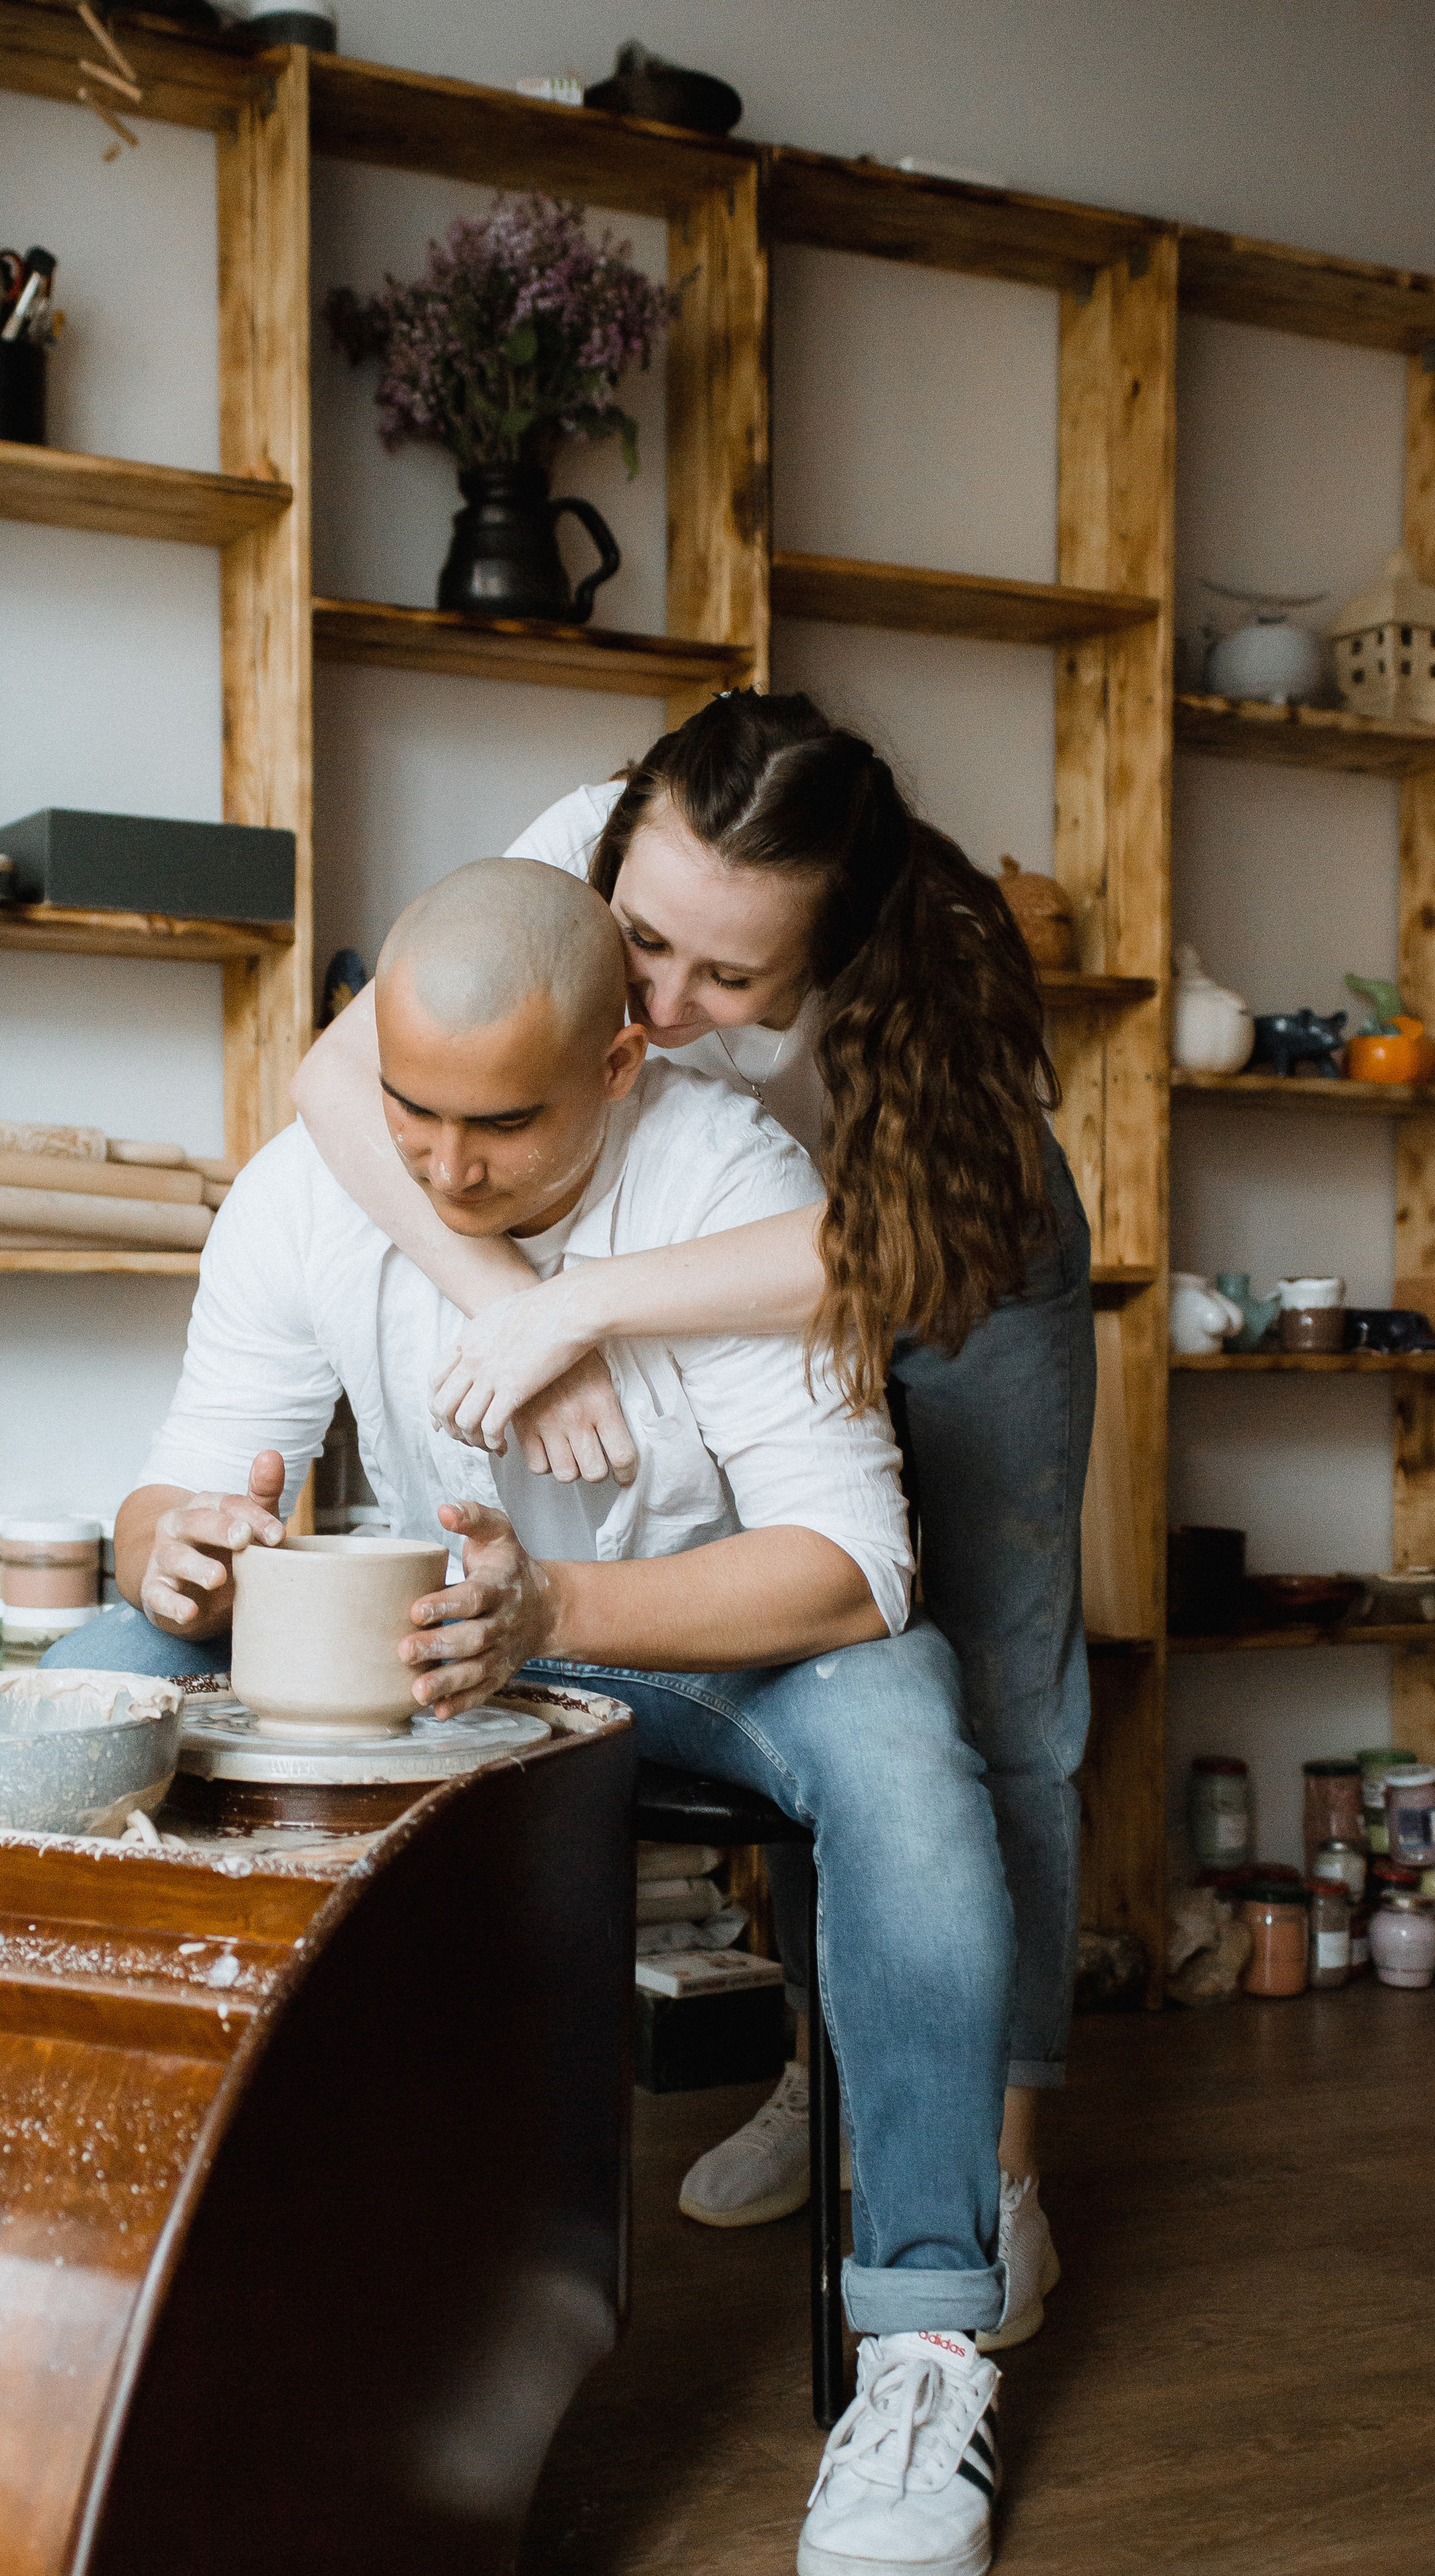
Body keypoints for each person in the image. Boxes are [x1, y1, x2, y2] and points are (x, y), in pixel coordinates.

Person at [53, 856, 1017, 2576]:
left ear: (619, 1069)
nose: (438, 1168)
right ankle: (95, 2289)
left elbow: (854, 1566)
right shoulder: (313, 1187)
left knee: (907, 1742)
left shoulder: (731, 1177)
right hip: (454, 1658)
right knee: (90, 1666)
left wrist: (558, 1613)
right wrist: (175, 1548)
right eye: (409, 1110)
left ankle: (927, 2349)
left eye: (496, 1126)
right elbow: (181, 1479)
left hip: (706, 1656)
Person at [291, 691, 1092, 2352]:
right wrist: (494, 1283)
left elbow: (872, 1258)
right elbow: (334, 1078)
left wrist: (582, 1301)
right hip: (696, 1262)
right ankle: (828, 2069)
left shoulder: (921, 977)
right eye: (642, 942)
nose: (656, 1006)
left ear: (835, 952)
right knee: (816, 1694)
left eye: (727, 981)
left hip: (946, 1266)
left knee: (982, 1701)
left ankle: (990, 2169)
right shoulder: (583, 842)